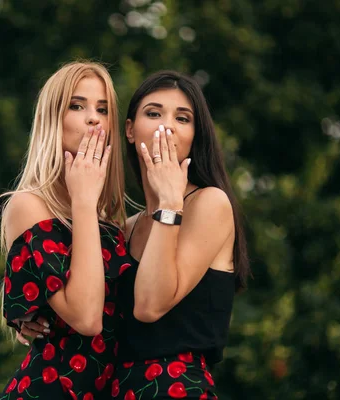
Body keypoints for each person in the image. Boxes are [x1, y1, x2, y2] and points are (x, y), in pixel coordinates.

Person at [109, 70, 251, 399]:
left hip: (176, 388)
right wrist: (31, 319)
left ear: (194, 135)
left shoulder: (209, 204)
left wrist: (170, 202)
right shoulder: (125, 228)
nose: (167, 125)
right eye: (154, 113)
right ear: (130, 130)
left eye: (182, 118)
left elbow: (149, 305)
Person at [0, 61, 131, 400]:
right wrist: (83, 201)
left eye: (103, 109)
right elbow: (87, 318)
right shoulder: (29, 205)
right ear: (53, 120)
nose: (93, 118)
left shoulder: (111, 223)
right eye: (77, 105)